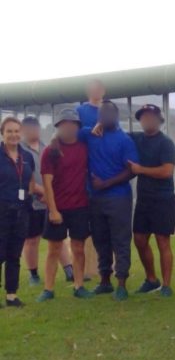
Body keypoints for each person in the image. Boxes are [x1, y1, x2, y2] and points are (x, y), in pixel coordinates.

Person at [80, 101, 138, 301]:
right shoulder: (89, 134)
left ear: (117, 116)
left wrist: (106, 183)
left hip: (118, 198)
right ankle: (105, 281)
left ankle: (121, 283)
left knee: (120, 240)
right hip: (95, 199)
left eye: (109, 114)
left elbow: (131, 170)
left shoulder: (125, 140)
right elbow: (64, 135)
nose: (105, 117)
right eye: (102, 114)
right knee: (100, 240)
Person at [36, 109, 93, 302]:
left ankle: (79, 286)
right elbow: (47, 183)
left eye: (72, 124)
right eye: (64, 124)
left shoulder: (84, 147)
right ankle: (48, 289)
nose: (68, 127)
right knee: (54, 249)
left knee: (78, 247)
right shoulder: (50, 151)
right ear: (58, 127)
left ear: (78, 127)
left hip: (80, 206)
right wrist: (52, 210)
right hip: (57, 207)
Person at [125, 104, 175, 297]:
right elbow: (115, 134)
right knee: (139, 239)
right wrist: (99, 127)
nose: (148, 120)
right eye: (144, 117)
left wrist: (141, 170)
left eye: (151, 116)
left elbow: (167, 171)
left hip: (163, 200)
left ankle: (166, 285)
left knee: (162, 241)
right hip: (144, 200)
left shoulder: (166, 143)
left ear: (159, 120)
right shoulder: (136, 138)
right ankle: (151, 279)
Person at [21, 116, 75, 286]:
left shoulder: (49, 147)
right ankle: (34, 274)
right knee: (31, 239)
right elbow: (24, 177)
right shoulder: (20, 150)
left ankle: (69, 270)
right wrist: (41, 191)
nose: (34, 131)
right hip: (31, 202)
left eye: (36, 128)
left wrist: (51, 195)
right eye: (29, 128)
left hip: (51, 202)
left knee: (56, 238)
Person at [0, 117, 36, 307]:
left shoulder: (27, 156)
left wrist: (31, 196)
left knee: (14, 255)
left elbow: (29, 181)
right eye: (9, 131)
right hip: (1, 211)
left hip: (21, 212)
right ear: (2, 134)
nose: (13, 135)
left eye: (16, 131)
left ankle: (11, 295)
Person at [76, 79, 105, 281]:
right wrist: (89, 130)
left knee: (104, 224)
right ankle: (83, 270)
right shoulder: (80, 110)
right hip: (84, 175)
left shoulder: (109, 110)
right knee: (83, 225)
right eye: (92, 89)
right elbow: (74, 133)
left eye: (99, 88)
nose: (96, 91)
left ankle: (104, 270)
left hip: (105, 174)